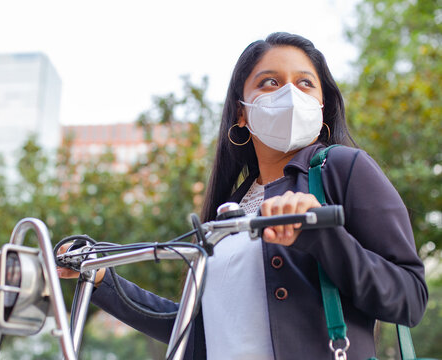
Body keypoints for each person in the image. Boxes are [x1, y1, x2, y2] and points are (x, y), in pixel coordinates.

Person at [57, 32, 428, 359]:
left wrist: (323, 237)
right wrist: (103, 279)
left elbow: (409, 297)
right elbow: (196, 331)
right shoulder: (227, 212)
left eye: (305, 84)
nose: (289, 93)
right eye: (270, 82)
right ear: (241, 113)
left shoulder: (342, 168)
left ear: (322, 106)